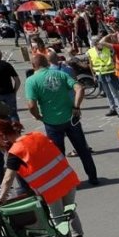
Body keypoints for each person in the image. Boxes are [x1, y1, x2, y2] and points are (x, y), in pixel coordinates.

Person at [0, 119, 86, 237]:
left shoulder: (16, 152)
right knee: (70, 211)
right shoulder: (37, 135)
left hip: (51, 188)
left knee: (58, 218)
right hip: (67, 178)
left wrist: (1, 197)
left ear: (1, 134)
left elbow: (8, 179)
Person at [23, 53, 99, 185]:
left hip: (51, 121)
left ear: (33, 65)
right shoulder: (61, 74)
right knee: (82, 149)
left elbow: (31, 104)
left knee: (58, 155)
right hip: (70, 118)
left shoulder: (31, 81)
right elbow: (79, 88)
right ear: (47, 63)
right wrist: (76, 106)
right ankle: (93, 178)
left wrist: (37, 116)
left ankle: (65, 182)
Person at [86, 36, 119, 118]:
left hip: (110, 73)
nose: (101, 44)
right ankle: (112, 108)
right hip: (100, 74)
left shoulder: (108, 50)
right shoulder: (90, 52)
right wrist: (94, 75)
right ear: (95, 44)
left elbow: (114, 60)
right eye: (98, 42)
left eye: (100, 42)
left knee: (115, 92)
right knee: (107, 93)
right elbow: (91, 64)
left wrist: (117, 71)